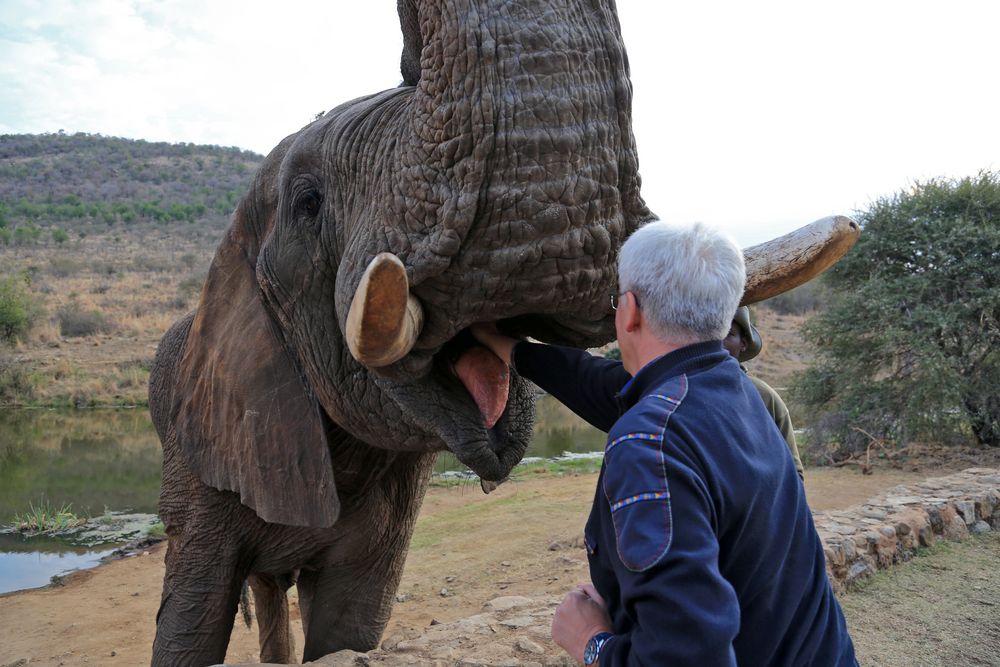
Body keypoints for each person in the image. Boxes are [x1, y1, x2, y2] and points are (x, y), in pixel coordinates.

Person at [471, 221, 856, 665]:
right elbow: (593, 380)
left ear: (629, 310)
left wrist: (590, 641)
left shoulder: (647, 443)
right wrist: (504, 345)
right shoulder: (739, 394)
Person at [724, 306, 806, 481]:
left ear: (743, 343)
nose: (718, 342)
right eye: (711, 334)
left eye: (727, 334)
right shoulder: (679, 395)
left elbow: (794, 474)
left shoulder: (764, 396)